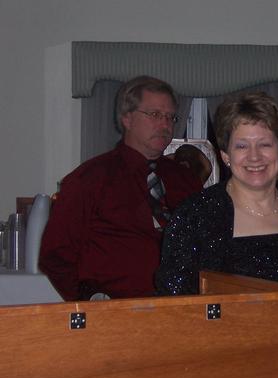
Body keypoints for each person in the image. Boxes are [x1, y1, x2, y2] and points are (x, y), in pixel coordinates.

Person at [39, 75, 202, 300]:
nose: (165, 125)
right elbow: (55, 254)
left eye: (170, 117)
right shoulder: (89, 179)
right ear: (126, 118)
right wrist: (88, 301)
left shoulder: (185, 181)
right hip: (115, 313)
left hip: (181, 309)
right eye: (155, 115)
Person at [155, 93, 278, 295]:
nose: (254, 156)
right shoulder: (194, 215)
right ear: (226, 155)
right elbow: (174, 302)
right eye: (242, 146)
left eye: (265, 144)